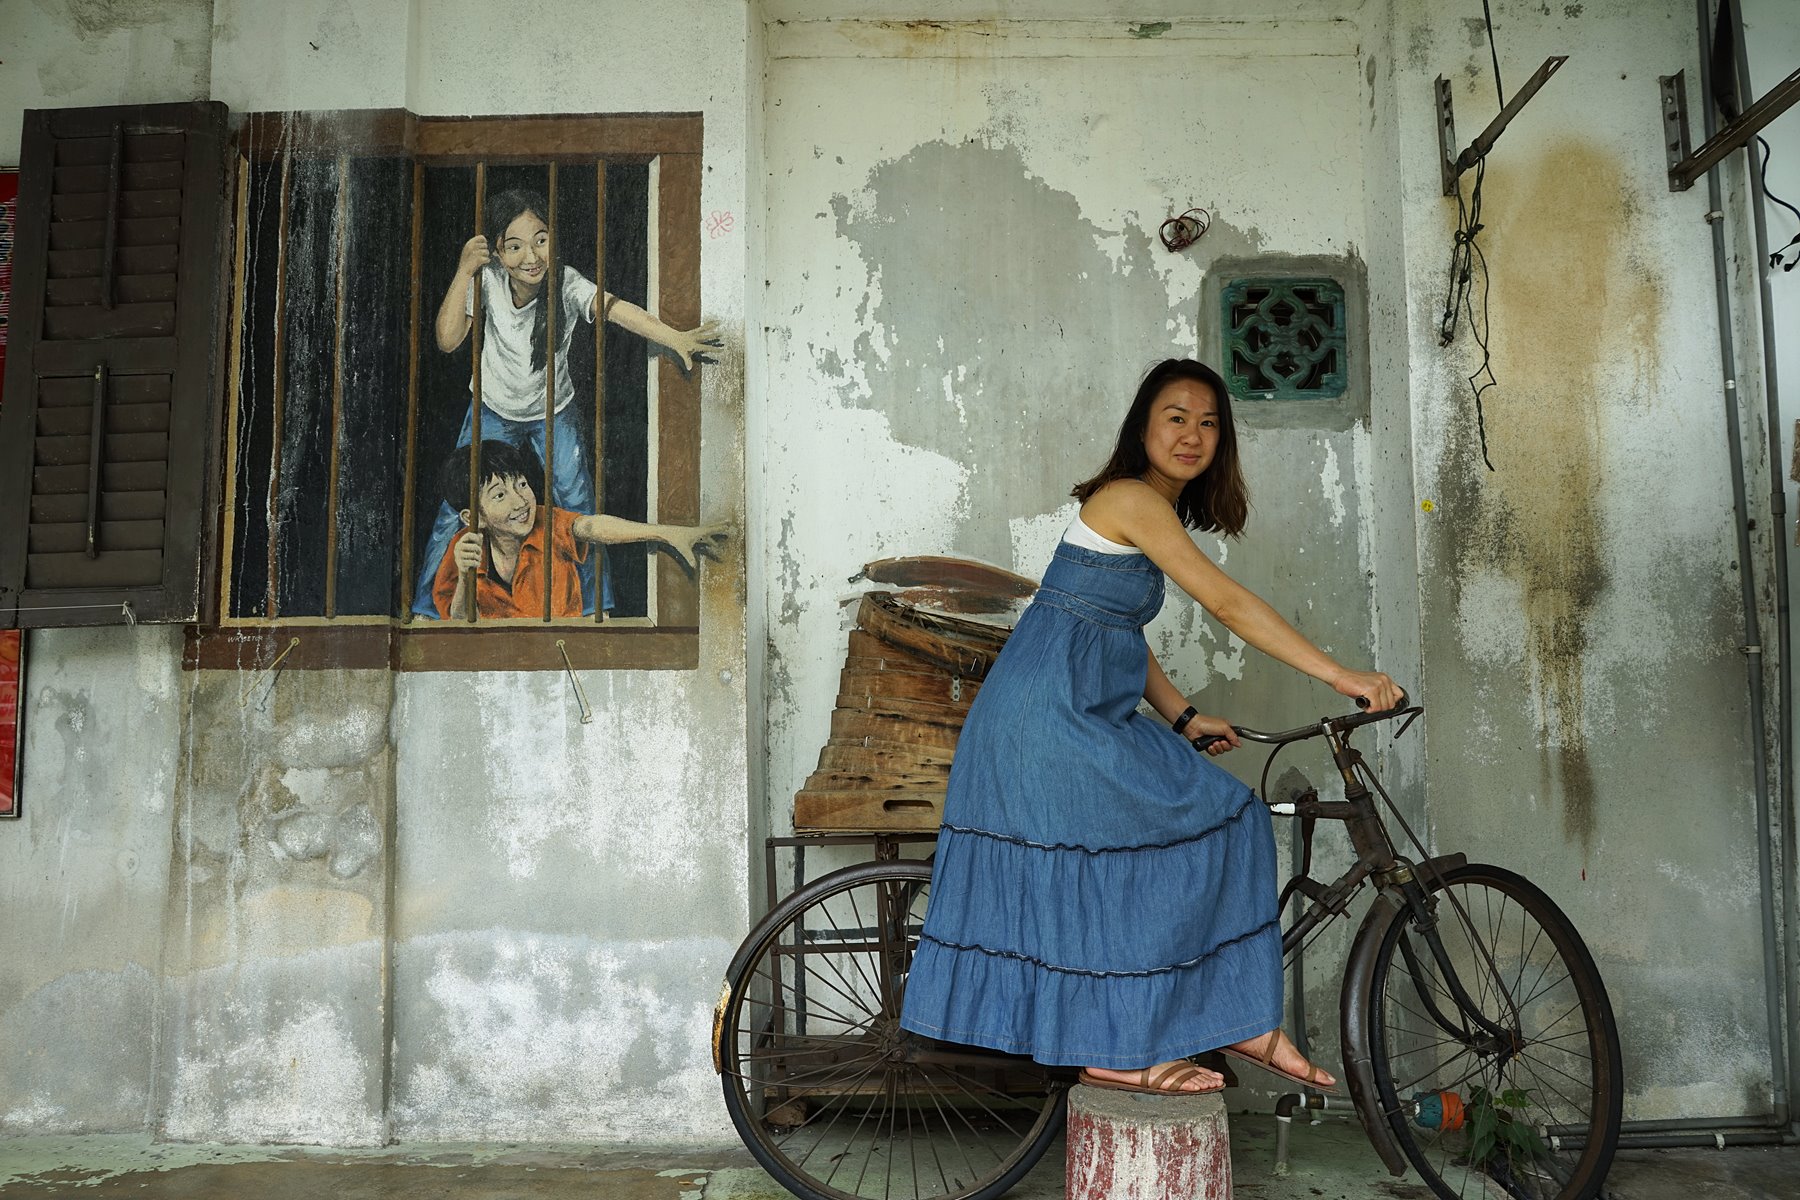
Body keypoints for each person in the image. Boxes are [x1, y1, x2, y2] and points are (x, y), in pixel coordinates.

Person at [898, 358, 1401, 1097]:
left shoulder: (1144, 509)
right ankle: (1123, 1051)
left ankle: (1236, 1020)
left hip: (1071, 713)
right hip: (1046, 721)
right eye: (1176, 417)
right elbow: (1227, 604)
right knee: (1181, 834)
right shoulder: (1130, 498)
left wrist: (1184, 716)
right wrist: (1340, 675)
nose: (1192, 434)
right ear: (1143, 427)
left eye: (1209, 423)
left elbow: (1113, 626)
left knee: (1213, 822)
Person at [411, 187, 722, 619]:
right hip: (491, 409)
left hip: (553, 413)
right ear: (497, 253)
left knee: (577, 509)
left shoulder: (567, 282)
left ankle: (594, 609)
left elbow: (617, 310)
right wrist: (465, 270)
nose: (531, 256)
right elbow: (447, 340)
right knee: (456, 508)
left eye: (540, 239)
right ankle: (430, 612)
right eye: (514, 246)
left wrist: (675, 338)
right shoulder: (489, 281)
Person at [431, 441, 726, 622]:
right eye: (499, 495)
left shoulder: (548, 522)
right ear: (473, 517)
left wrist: (668, 534)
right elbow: (458, 621)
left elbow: (592, 526)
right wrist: (465, 576)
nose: (520, 501)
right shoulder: (463, 547)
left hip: (562, 652)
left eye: (521, 484)